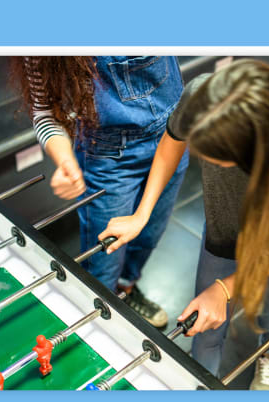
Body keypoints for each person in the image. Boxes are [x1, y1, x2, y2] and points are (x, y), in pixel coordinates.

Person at [100, 59, 269, 389]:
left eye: (215, 154)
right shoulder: (204, 97)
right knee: (204, 329)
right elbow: (173, 139)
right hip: (224, 234)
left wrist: (226, 288)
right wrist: (142, 214)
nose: (202, 157)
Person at [11, 56, 188, 329]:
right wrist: (65, 160)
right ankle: (100, 320)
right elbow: (44, 111)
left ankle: (126, 290)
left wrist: (142, 215)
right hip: (108, 158)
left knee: (149, 236)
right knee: (102, 264)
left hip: (173, 137)